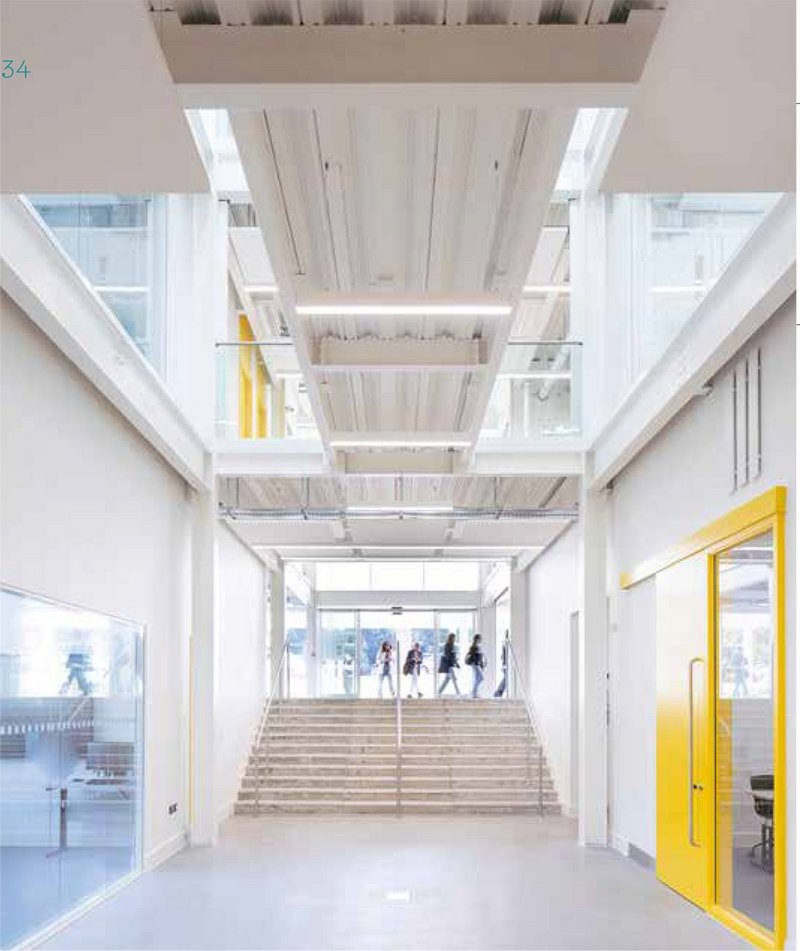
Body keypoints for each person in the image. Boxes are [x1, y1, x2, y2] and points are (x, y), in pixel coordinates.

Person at [437, 632, 461, 696]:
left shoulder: (452, 645)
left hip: (450, 664)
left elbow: (453, 656)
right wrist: (454, 662)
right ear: (451, 638)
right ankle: (458, 693)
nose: (454, 639)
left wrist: (456, 663)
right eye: (453, 638)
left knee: (447, 679)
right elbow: (448, 656)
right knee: (453, 679)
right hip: (448, 665)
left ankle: (438, 692)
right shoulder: (447, 645)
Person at [465, 633, 486, 698]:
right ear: (477, 639)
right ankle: (474, 693)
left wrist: (482, 664)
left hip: (477, 665)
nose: (481, 640)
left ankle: (474, 693)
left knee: (477, 679)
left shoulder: (477, 646)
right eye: (480, 638)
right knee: (481, 678)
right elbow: (474, 657)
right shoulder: (474, 647)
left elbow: (480, 657)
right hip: (475, 665)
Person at [494, 632, 509, 698]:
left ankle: (498, 692)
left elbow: (502, 656)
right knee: (506, 679)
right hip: (505, 665)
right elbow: (504, 656)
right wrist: (504, 665)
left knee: (506, 679)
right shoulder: (506, 644)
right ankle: (498, 692)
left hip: (505, 665)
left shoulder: (505, 644)